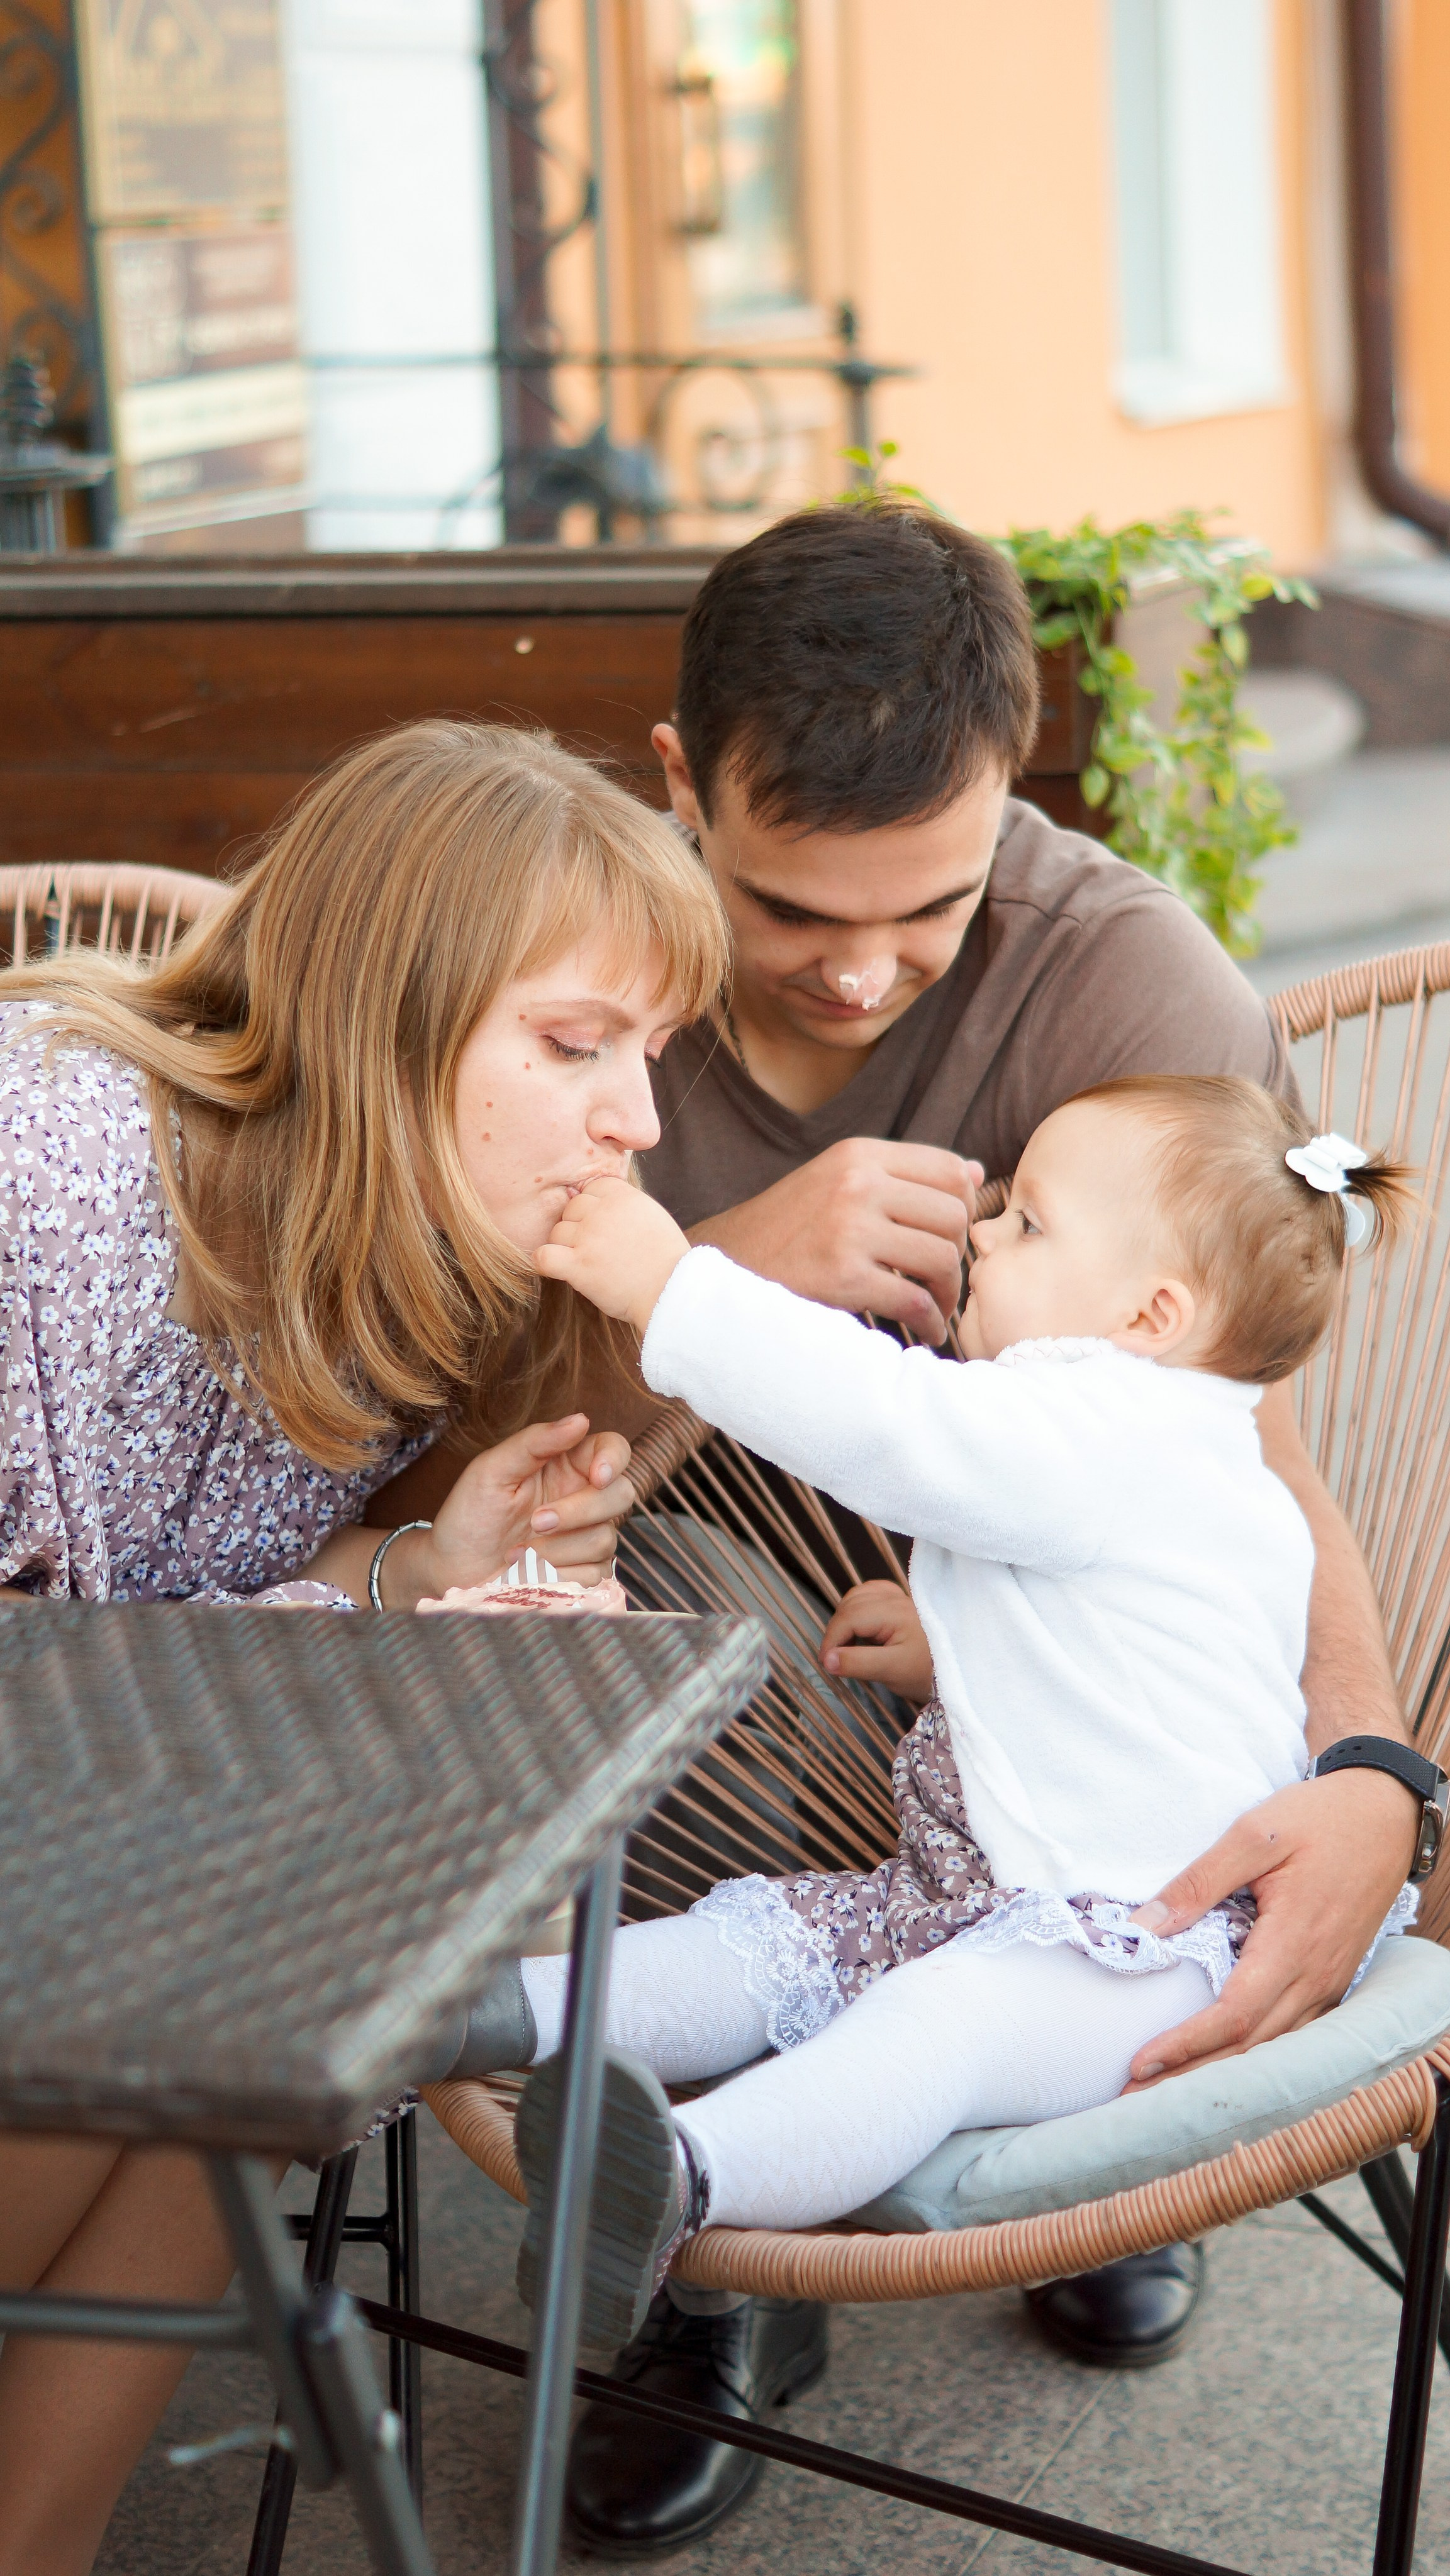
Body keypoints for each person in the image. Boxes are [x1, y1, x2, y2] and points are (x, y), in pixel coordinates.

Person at [380, 504, 1424, 2553]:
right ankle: (695, 2214)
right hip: (704, 1598)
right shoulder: (568, 967)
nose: (860, 968)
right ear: (680, 784)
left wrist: (1375, 1773)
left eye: (928, 906)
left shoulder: (1125, 985)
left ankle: (991, 2112)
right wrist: (724, 1275)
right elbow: (454, 1471)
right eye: (784, 907)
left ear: (1009, 795)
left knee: (942, 1967)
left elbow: (1251, 1470)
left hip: (1049, 1724)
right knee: (703, 1720)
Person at [0, 719, 728, 2576]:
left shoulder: (405, 1258)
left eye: (649, 1055)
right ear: (377, 1016)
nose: (639, 1122)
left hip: (101, 1889)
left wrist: (419, 1563)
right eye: (576, 1046)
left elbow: (175, 1638)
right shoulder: (50, 1175)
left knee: (286, 1963)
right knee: (242, 1965)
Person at [499, 1075, 1416, 2345]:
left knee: (935, 2027)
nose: (985, 1230)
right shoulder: (1182, 1446)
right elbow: (1150, 1672)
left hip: (1138, 1951)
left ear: (1151, 1313)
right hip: (982, 1894)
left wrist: (674, 1288)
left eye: (1029, 1223)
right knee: (767, 1938)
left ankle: (675, 2173)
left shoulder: (1104, 1419)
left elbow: (887, 1421)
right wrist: (961, 1653)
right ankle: (502, 2004)